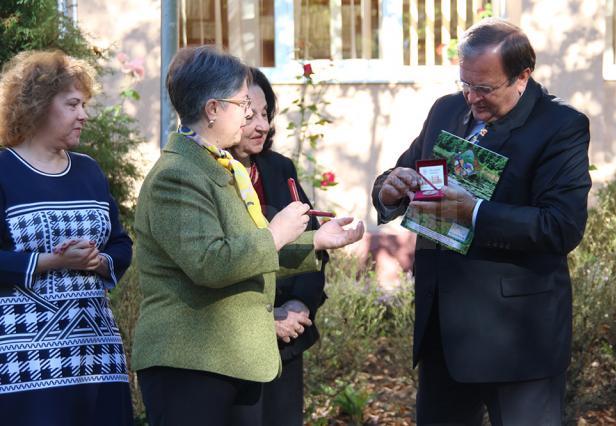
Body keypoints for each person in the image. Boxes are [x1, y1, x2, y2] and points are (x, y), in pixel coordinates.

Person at [371, 18, 591, 425]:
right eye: (465, 84)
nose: (472, 98)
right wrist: (388, 190)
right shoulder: (446, 108)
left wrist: (471, 211)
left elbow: (561, 226)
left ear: (522, 76)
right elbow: (406, 171)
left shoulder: (561, 126)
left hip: (518, 342)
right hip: (443, 334)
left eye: (485, 88)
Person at [132, 46, 364, 426]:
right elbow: (210, 262)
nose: (252, 118)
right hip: (190, 364)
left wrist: (316, 242)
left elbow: (243, 253)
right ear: (213, 109)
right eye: (242, 104)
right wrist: (275, 234)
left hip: (230, 359)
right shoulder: (177, 175)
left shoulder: (217, 166)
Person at [0, 50, 134, 425]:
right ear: (39, 106)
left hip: (97, 356)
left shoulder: (89, 172)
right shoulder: (4, 171)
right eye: (73, 104)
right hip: (26, 364)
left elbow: (121, 244)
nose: (83, 115)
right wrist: (51, 261)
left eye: (84, 104)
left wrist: (98, 260)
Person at [227, 68, 328, 425]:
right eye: (249, 115)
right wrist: (265, 321)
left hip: (288, 338)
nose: (262, 126)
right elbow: (219, 262)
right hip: (232, 344)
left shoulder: (278, 167)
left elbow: (313, 244)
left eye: (266, 114)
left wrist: (300, 304)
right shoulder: (208, 176)